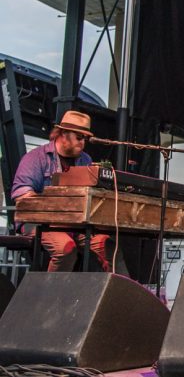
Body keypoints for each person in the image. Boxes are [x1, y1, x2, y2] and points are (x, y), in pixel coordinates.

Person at [11, 110, 119, 272]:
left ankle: (113, 295)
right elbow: (22, 195)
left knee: (107, 245)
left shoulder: (85, 160)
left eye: (85, 138)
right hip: (38, 223)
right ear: (62, 134)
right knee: (65, 249)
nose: (83, 142)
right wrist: (58, 208)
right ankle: (50, 295)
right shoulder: (35, 158)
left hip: (74, 225)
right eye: (79, 137)